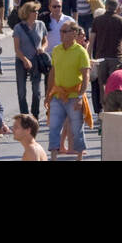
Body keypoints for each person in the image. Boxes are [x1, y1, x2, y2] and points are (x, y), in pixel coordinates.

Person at [46, 19, 90, 160]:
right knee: (53, 128)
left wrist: (80, 97)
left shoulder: (81, 52)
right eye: (61, 31)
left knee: (77, 129)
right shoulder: (56, 50)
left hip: (73, 96)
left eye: (64, 31)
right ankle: (53, 157)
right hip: (58, 95)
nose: (61, 34)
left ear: (74, 33)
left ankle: (79, 157)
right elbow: (52, 73)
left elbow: (86, 75)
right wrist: (48, 94)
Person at [13, 1, 48, 118]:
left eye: (37, 11)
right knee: (21, 91)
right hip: (21, 59)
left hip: (36, 60)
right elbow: (17, 48)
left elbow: (45, 41)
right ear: (27, 13)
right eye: (34, 11)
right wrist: (24, 60)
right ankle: (24, 115)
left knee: (36, 91)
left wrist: (42, 48)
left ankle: (35, 115)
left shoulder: (41, 25)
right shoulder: (18, 27)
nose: (36, 13)